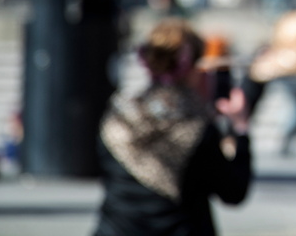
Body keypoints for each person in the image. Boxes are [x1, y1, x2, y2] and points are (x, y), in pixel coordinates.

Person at [94, 18, 252, 236]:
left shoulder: (117, 119)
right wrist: (240, 129)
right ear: (192, 68)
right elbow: (233, 192)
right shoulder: (195, 129)